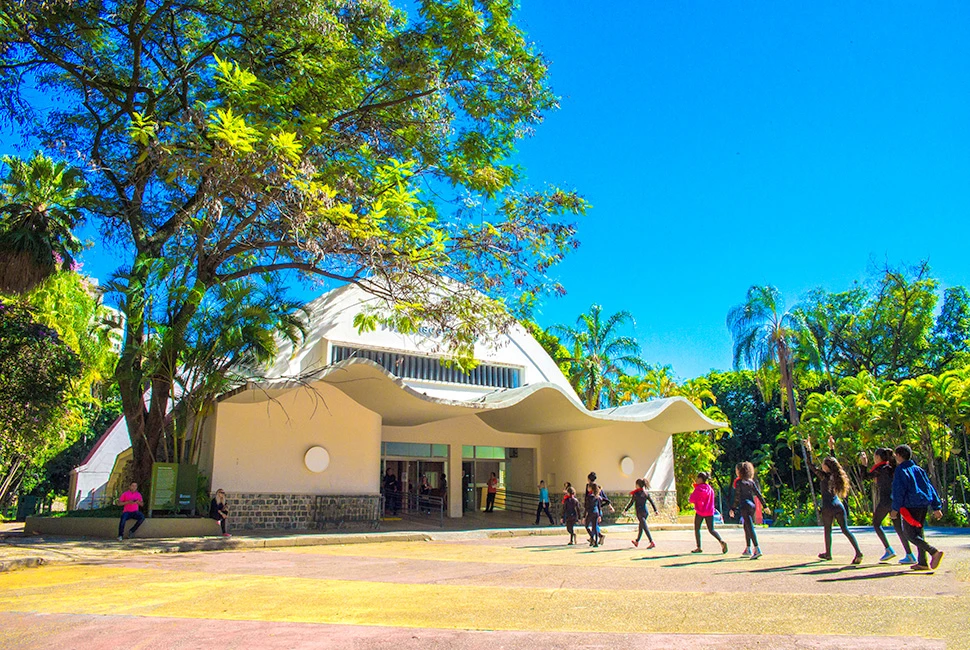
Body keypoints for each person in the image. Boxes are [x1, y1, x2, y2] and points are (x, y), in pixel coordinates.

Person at [805, 442, 863, 564]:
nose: (821, 466)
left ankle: (828, 553)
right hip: (838, 505)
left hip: (828, 507)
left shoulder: (823, 476)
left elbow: (810, 465)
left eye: (823, 464)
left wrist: (808, 450)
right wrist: (832, 448)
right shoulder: (836, 475)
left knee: (828, 530)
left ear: (827, 467)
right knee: (845, 530)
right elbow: (834, 462)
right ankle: (858, 552)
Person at [891, 444, 944, 571]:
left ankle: (934, 552)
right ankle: (922, 562)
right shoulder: (919, 470)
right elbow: (929, 487)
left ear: (898, 455)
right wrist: (936, 506)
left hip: (910, 507)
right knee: (918, 532)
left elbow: (899, 491)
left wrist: (895, 509)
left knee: (909, 535)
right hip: (922, 505)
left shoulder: (901, 470)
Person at [860, 448, 914, 564]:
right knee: (898, 528)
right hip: (895, 501)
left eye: (874, 456)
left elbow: (864, 477)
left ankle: (888, 549)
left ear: (878, 457)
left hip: (885, 501)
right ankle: (910, 554)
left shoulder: (880, 469)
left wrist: (864, 464)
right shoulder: (891, 468)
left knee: (876, 523)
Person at [729, 462, 767, 560]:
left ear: (740, 471)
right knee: (746, 526)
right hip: (752, 506)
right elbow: (759, 494)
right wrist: (765, 506)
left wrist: (733, 508)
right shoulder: (751, 481)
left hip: (744, 505)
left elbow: (737, 497)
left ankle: (757, 548)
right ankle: (748, 548)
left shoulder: (739, 482)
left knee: (749, 527)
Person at [689, 472, 728, 554]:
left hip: (700, 511)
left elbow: (691, 499)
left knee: (697, 529)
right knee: (711, 530)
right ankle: (721, 541)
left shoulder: (699, 489)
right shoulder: (710, 489)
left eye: (697, 478)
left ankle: (698, 547)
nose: (696, 480)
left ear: (701, 479)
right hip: (710, 511)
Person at [623, 478, 659, 549]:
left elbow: (631, 503)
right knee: (641, 527)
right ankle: (637, 541)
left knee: (645, 527)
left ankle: (651, 541)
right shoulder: (646, 493)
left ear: (638, 485)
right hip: (645, 512)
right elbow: (651, 502)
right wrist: (655, 510)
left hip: (639, 512)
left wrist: (625, 510)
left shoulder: (636, 494)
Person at [584, 482, 606, 547]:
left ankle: (592, 537)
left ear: (591, 488)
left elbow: (587, 506)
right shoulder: (598, 497)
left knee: (586, 525)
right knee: (594, 527)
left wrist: (585, 515)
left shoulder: (589, 496)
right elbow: (599, 506)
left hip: (590, 512)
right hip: (596, 512)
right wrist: (599, 515)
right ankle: (596, 542)